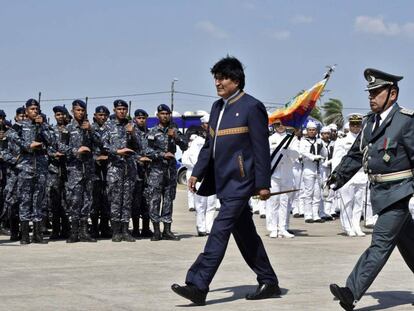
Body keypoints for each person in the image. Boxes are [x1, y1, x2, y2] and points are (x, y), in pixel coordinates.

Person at [171, 56, 280, 305]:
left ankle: (198, 285)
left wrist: (263, 184)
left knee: (219, 230)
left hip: (241, 182)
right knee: (246, 235)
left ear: (236, 80)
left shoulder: (252, 107)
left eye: (222, 78)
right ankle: (269, 281)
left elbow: (261, 148)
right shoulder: (217, 108)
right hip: (222, 182)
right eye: (216, 78)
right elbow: (209, 146)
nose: (217, 83)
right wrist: (197, 172)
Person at [328, 68, 414, 310]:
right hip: (379, 193)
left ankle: (351, 291)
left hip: (399, 192)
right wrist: (337, 178)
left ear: (393, 94)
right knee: (409, 243)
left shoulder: (406, 122)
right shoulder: (368, 123)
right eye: (370, 92)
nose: (371, 96)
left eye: (377, 92)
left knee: (380, 243)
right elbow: (355, 155)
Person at [10, 99, 53, 244]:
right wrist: (28, 145)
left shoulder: (43, 125)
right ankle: (24, 235)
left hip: (40, 167)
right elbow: (12, 136)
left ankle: (37, 234)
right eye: (32, 109)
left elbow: (52, 140)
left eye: (37, 109)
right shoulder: (20, 125)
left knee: (38, 200)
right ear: (26, 110)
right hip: (25, 167)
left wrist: (43, 126)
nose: (35, 111)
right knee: (25, 200)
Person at [142, 104, 188, 241]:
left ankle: (167, 230)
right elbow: (147, 151)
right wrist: (162, 154)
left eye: (167, 114)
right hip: (156, 171)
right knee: (155, 200)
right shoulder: (152, 132)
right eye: (162, 113)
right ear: (158, 116)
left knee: (169, 200)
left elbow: (185, 145)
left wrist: (176, 137)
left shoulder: (174, 130)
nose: (165, 116)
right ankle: (156, 230)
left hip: (170, 171)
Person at [102, 99, 139, 242]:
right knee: (116, 201)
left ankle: (125, 230)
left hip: (129, 169)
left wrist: (133, 134)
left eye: (124, 109)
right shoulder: (108, 126)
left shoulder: (131, 125)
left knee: (127, 201)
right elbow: (104, 146)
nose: (122, 111)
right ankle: (116, 231)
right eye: (119, 109)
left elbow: (138, 147)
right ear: (114, 110)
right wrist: (118, 151)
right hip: (115, 168)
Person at [61, 100, 97, 243]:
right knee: (74, 201)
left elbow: (101, 143)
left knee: (87, 200)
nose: (80, 113)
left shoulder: (89, 127)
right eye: (78, 110)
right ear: (72, 111)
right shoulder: (68, 128)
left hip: (88, 169)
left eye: (82, 110)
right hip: (74, 169)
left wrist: (90, 131)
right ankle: (74, 232)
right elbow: (61, 146)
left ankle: (84, 232)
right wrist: (76, 151)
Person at [331, 114, 367, 237]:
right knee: (347, 202)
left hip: (362, 174)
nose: (356, 127)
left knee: (358, 202)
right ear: (350, 125)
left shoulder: (365, 140)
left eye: (358, 124)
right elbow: (336, 159)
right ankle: (347, 227)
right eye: (353, 124)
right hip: (346, 176)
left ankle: (356, 225)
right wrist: (335, 176)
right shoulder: (342, 141)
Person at [181, 114, 216, 236]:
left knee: (211, 203)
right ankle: (201, 227)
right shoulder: (198, 141)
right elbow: (195, 158)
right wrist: (200, 171)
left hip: (212, 173)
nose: (209, 125)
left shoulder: (215, 137)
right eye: (207, 123)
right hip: (200, 173)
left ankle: (209, 227)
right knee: (200, 203)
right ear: (203, 125)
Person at [266, 121, 299, 238]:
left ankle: (283, 228)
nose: (280, 126)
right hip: (273, 174)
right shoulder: (270, 139)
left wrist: (288, 152)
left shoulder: (292, 138)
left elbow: (297, 155)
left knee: (285, 202)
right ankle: (273, 228)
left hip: (287, 173)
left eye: (282, 124)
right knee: (273, 201)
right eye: (277, 124)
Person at [47, 106, 71, 240]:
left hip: (68, 168)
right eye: (57, 114)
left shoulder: (71, 130)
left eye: (62, 114)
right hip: (54, 169)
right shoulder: (51, 130)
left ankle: (67, 229)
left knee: (68, 200)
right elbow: (47, 146)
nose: (60, 117)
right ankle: (55, 230)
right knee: (55, 201)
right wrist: (53, 154)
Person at [90, 105, 112, 239]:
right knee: (94, 200)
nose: (102, 117)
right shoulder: (90, 129)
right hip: (93, 169)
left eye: (105, 115)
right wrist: (96, 158)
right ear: (95, 115)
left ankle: (104, 226)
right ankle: (93, 227)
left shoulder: (110, 130)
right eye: (100, 115)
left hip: (108, 167)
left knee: (107, 199)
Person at [132, 108, 153, 238]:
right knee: (136, 202)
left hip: (148, 172)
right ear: (135, 119)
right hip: (135, 171)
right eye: (139, 118)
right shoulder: (131, 133)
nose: (141, 120)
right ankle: (135, 229)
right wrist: (139, 158)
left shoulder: (150, 133)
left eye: (143, 118)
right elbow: (127, 151)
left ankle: (146, 228)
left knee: (148, 201)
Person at [300, 121, 326, 223]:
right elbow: (303, 152)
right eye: (310, 130)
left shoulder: (319, 141)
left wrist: (322, 147)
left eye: (314, 130)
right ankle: (308, 215)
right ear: (307, 131)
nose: (312, 132)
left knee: (317, 193)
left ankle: (316, 214)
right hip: (308, 169)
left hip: (318, 169)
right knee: (308, 193)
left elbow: (325, 153)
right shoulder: (303, 141)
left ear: (316, 131)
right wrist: (313, 157)